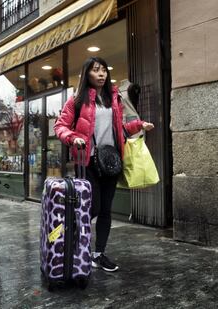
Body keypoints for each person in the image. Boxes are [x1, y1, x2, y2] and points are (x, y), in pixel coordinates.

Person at [54, 57, 154, 272]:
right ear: (87, 74)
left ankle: (98, 254)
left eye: (103, 71)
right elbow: (61, 125)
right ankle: (73, 239)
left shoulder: (114, 99)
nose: (101, 74)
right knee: (94, 206)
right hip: (88, 160)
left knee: (106, 209)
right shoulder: (77, 100)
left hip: (111, 160)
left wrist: (139, 124)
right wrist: (73, 138)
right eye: (95, 70)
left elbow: (122, 128)